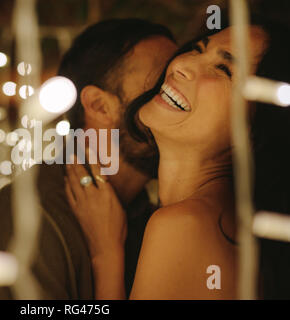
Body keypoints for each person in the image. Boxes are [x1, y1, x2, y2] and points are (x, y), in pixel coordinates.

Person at [0, 18, 177, 299]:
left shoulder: (150, 215)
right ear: (98, 105)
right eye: (161, 85)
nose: (178, 99)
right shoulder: (29, 222)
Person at [65, 18, 290, 299]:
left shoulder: (182, 225)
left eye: (223, 69)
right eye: (197, 49)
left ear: (257, 130)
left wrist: (106, 256)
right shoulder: (222, 223)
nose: (180, 65)